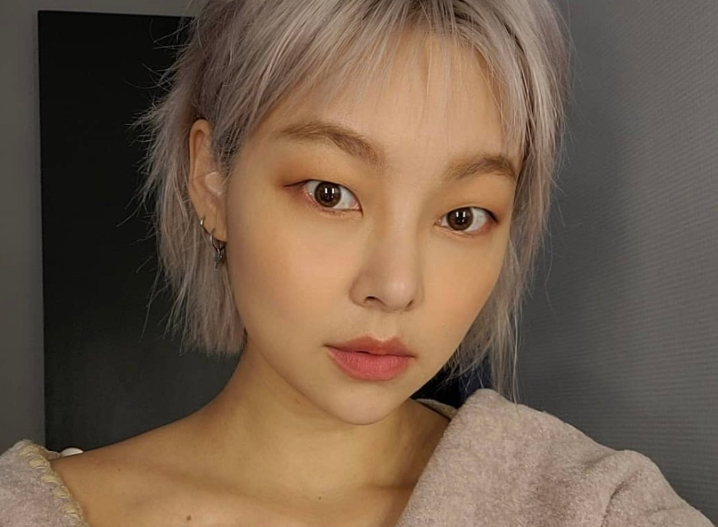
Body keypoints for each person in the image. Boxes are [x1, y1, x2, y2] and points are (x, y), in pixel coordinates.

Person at [0, 0, 714, 526]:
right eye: (330, 193)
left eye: (462, 216)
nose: (396, 287)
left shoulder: (591, 504)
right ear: (211, 180)